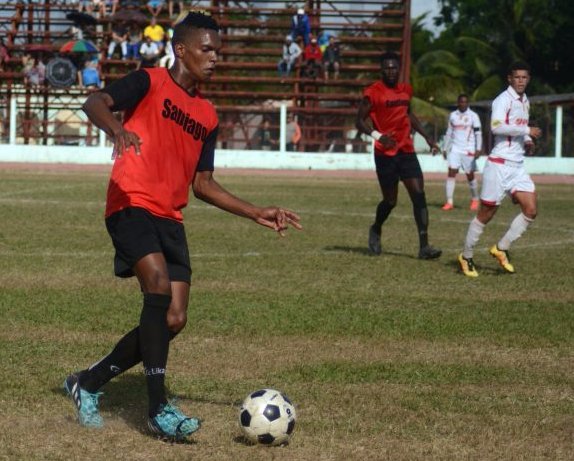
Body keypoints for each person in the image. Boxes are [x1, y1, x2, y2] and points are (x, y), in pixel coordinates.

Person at [62, 10, 301, 441]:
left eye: (218, 51)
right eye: (206, 50)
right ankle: (158, 410)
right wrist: (116, 127)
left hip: (170, 216)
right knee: (156, 287)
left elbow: (204, 185)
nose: (214, 58)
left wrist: (255, 211)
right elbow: (94, 101)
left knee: (172, 318)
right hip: (130, 202)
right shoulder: (148, 81)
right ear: (181, 49)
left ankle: (87, 382)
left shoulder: (207, 115)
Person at [458, 61, 542, 277]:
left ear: (528, 79)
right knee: (486, 214)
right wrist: (526, 129)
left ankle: (501, 248)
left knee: (531, 209)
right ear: (510, 79)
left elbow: (516, 127)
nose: (521, 81)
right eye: (517, 77)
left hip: (517, 166)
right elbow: (496, 127)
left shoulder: (525, 101)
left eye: (524, 77)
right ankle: (466, 256)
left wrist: (526, 139)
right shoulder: (502, 100)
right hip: (499, 165)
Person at [356, 51, 442, 260]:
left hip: (406, 150)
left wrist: (427, 137)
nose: (391, 71)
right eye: (387, 68)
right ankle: (376, 228)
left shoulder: (405, 90)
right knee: (390, 201)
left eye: (394, 67)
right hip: (385, 153)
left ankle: (424, 247)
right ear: (381, 70)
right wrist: (378, 136)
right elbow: (358, 121)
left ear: (399, 69)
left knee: (418, 194)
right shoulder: (373, 92)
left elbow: (408, 114)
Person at [441, 94, 482, 211]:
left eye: (465, 102)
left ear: (467, 103)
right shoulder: (453, 115)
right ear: (458, 103)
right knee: (451, 172)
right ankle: (449, 202)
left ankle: (475, 198)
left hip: (468, 150)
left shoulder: (473, 116)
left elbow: (478, 133)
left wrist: (478, 149)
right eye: (461, 102)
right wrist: (445, 148)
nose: (463, 104)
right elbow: (449, 132)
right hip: (455, 149)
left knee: (470, 175)